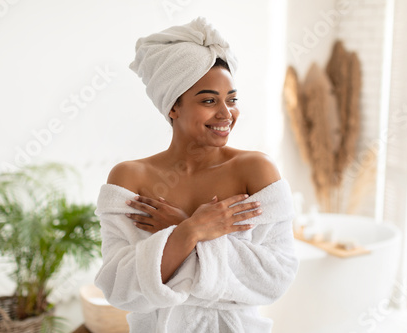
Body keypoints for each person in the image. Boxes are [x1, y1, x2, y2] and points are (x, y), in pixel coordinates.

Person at [94, 17, 298, 333]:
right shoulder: (129, 178)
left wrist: (178, 228)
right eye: (208, 100)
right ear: (173, 107)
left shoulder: (255, 171)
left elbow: (274, 278)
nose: (225, 113)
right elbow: (118, 287)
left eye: (231, 99)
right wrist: (190, 231)